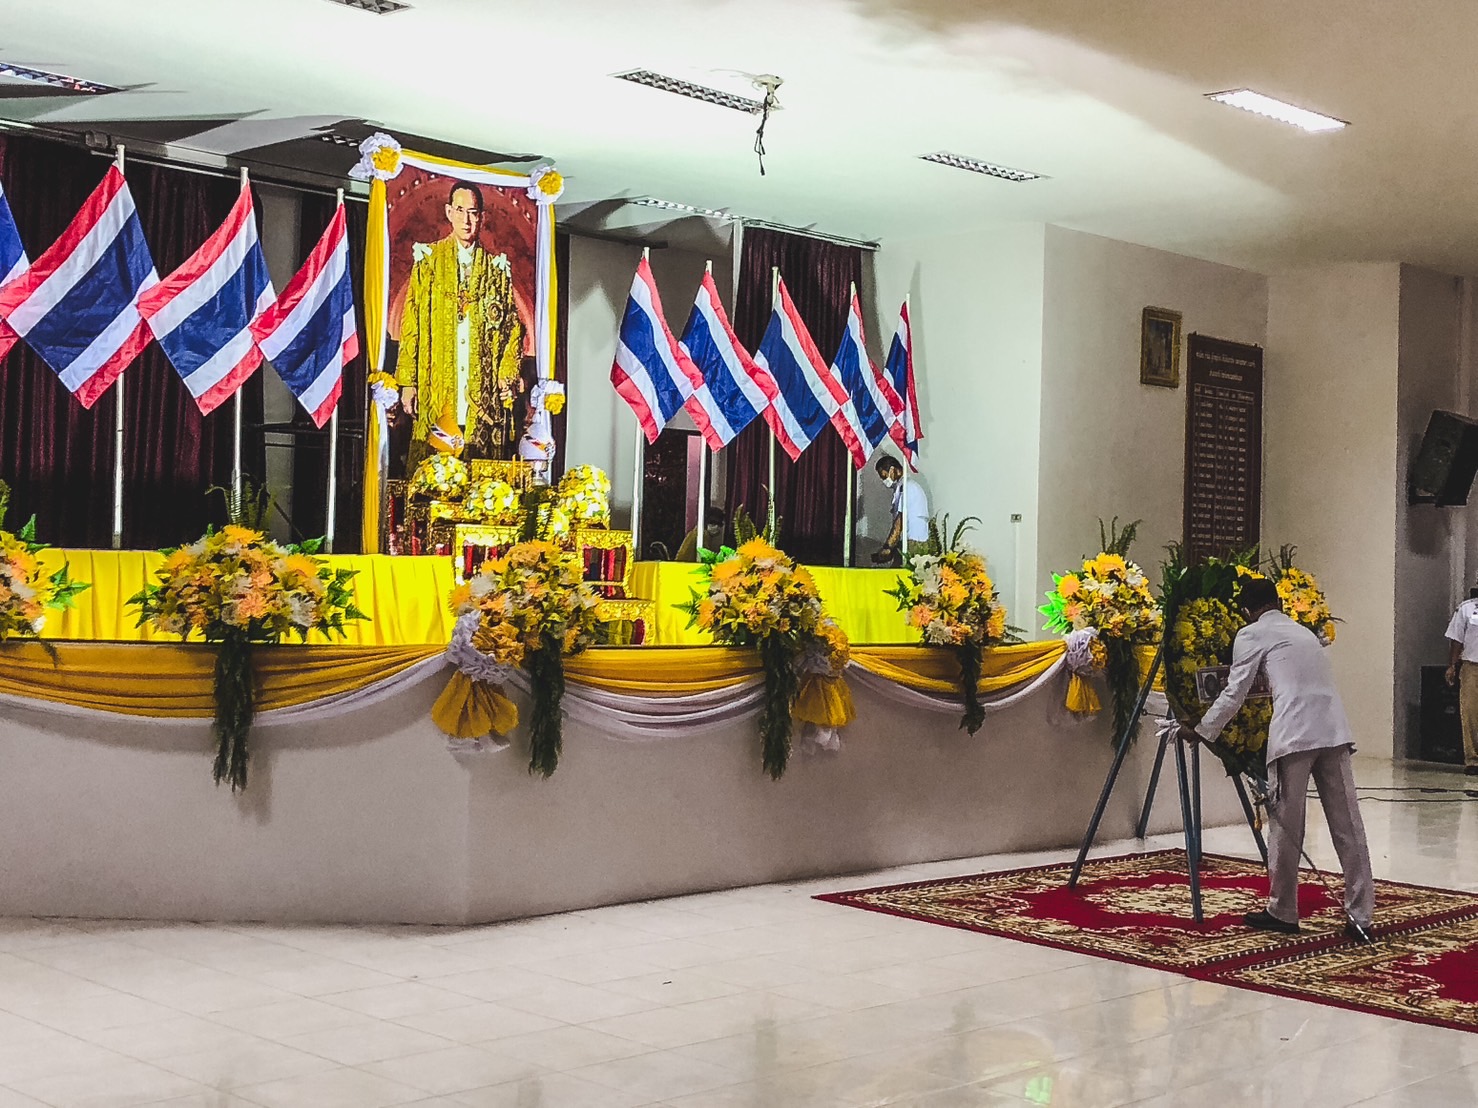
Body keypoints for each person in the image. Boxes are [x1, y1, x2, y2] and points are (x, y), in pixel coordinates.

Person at [1187, 576, 1374, 941]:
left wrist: (1202, 729)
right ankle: (1361, 914)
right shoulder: (1304, 632)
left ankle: (1283, 910)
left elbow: (1235, 691)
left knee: (1287, 826)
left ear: (1247, 610)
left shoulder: (1252, 633)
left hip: (1294, 735)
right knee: (1348, 826)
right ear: (1278, 602)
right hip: (1333, 731)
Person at [396, 182, 524, 467]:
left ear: (481, 217)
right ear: (449, 212)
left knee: (481, 473)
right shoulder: (428, 262)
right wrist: (408, 382)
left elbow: (513, 328)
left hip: (482, 391)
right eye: (460, 210)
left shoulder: (496, 270)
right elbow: (411, 322)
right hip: (438, 383)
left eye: (473, 213)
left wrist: (506, 374)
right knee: (437, 472)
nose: (467, 220)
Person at [870, 455, 929, 567]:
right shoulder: (903, 487)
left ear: (892, 470)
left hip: (913, 543)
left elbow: (899, 521)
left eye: (884, 476)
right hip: (909, 541)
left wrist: (888, 547)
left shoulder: (907, 488)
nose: (884, 480)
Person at [1443, 590, 1478, 775]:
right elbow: (1456, 639)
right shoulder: (1466, 609)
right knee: (1470, 712)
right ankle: (1473, 760)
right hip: (1472, 666)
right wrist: (1452, 666)